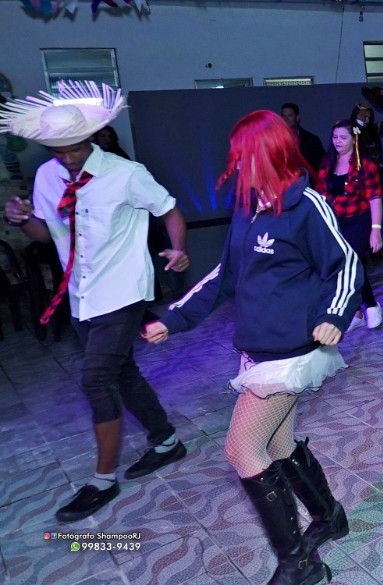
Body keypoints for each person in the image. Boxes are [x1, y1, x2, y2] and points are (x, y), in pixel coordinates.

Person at [143, 110, 360, 585]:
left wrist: (333, 316)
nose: (238, 164)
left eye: (245, 156)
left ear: (271, 154)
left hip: (292, 352)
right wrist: (172, 319)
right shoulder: (247, 206)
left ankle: (301, 565)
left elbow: (345, 263)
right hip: (258, 347)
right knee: (277, 444)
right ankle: (329, 517)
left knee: (242, 449)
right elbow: (225, 275)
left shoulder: (307, 205)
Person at [0, 81, 190, 523]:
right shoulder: (47, 177)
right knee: (122, 372)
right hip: (81, 294)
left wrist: (178, 249)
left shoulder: (126, 173)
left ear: (90, 137)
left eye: (75, 148)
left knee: (96, 378)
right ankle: (166, 441)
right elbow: (46, 234)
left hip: (123, 290)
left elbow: (169, 210)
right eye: (58, 150)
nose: (68, 158)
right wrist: (24, 219)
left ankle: (103, 480)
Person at [315, 119, 383, 330]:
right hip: (335, 221)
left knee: (352, 262)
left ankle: (371, 305)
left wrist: (376, 230)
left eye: (343, 137)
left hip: (359, 220)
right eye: (335, 137)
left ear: (354, 139)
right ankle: (356, 312)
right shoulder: (327, 163)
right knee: (341, 266)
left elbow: (375, 198)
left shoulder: (366, 164)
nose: (338, 141)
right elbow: (321, 194)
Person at [349, 87, 383, 180]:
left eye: (368, 116)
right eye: (363, 114)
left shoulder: (373, 129)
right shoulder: (350, 131)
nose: (366, 117)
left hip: (376, 173)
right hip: (359, 175)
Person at [280, 102, 325, 172]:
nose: (286, 119)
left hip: (306, 177)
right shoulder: (274, 140)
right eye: (283, 116)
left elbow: (321, 164)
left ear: (297, 117)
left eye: (289, 115)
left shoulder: (312, 140)